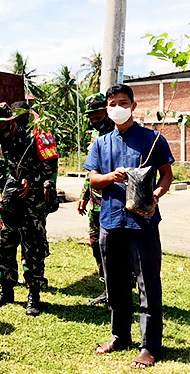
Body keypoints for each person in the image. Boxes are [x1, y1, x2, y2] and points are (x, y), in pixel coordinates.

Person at [84, 84, 173, 369]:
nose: (117, 107)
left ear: (133, 106)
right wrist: (111, 176)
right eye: (112, 104)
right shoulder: (101, 143)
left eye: (123, 102)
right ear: (107, 108)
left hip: (142, 222)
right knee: (115, 282)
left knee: (147, 282)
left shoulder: (152, 139)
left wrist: (156, 195)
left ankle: (149, 346)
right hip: (110, 221)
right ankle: (120, 335)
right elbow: (93, 179)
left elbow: (166, 175)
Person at [0, 102, 55, 316]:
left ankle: (34, 295)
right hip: (6, 210)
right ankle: (6, 290)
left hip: (32, 208)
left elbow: (50, 170)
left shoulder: (33, 141)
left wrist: (31, 180)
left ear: (12, 121)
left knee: (33, 251)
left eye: (2, 124)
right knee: (5, 251)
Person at [77, 92, 115, 305]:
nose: (94, 122)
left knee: (115, 247)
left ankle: (122, 289)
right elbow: (92, 171)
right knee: (96, 244)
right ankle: (107, 287)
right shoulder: (96, 137)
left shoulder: (120, 133)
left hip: (115, 201)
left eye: (98, 117)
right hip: (96, 201)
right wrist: (84, 195)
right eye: (91, 118)